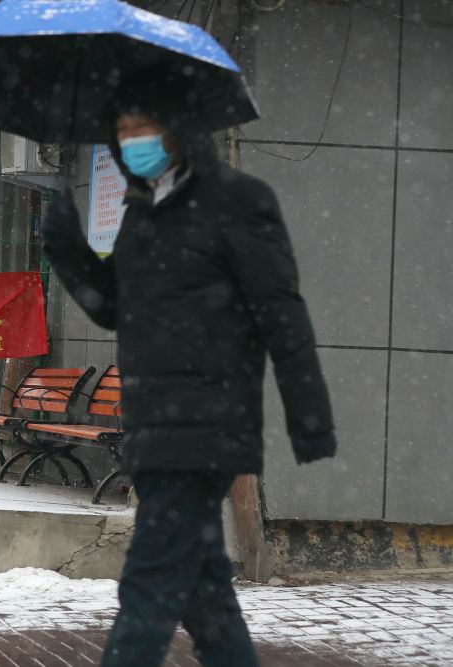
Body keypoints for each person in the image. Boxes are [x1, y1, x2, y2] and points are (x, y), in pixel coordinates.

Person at [41, 97, 338, 667]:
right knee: (206, 597)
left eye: (144, 128)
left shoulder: (239, 202)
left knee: (147, 586)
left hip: (209, 422)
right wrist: (67, 246)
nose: (133, 143)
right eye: (123, 132)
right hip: (150, 424)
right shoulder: (143, 209)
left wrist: (309, 416)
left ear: (178, 130)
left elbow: (281, 309)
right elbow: (113, 307)